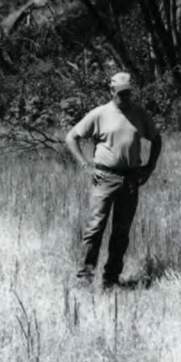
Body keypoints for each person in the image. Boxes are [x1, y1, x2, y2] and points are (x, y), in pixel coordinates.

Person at [65, 72, 162, 289]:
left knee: (121, 231)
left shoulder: (140, 114)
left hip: (130, 179)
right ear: (112, 92)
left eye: (128, 93)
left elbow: (156, 139)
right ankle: (85, 278)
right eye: (121, 93)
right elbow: (71, 137)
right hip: (104, 178)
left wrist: (149, 167)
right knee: (95, 228)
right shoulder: (100, 114)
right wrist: (85, 165)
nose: (125, 97)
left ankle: (111, 279)